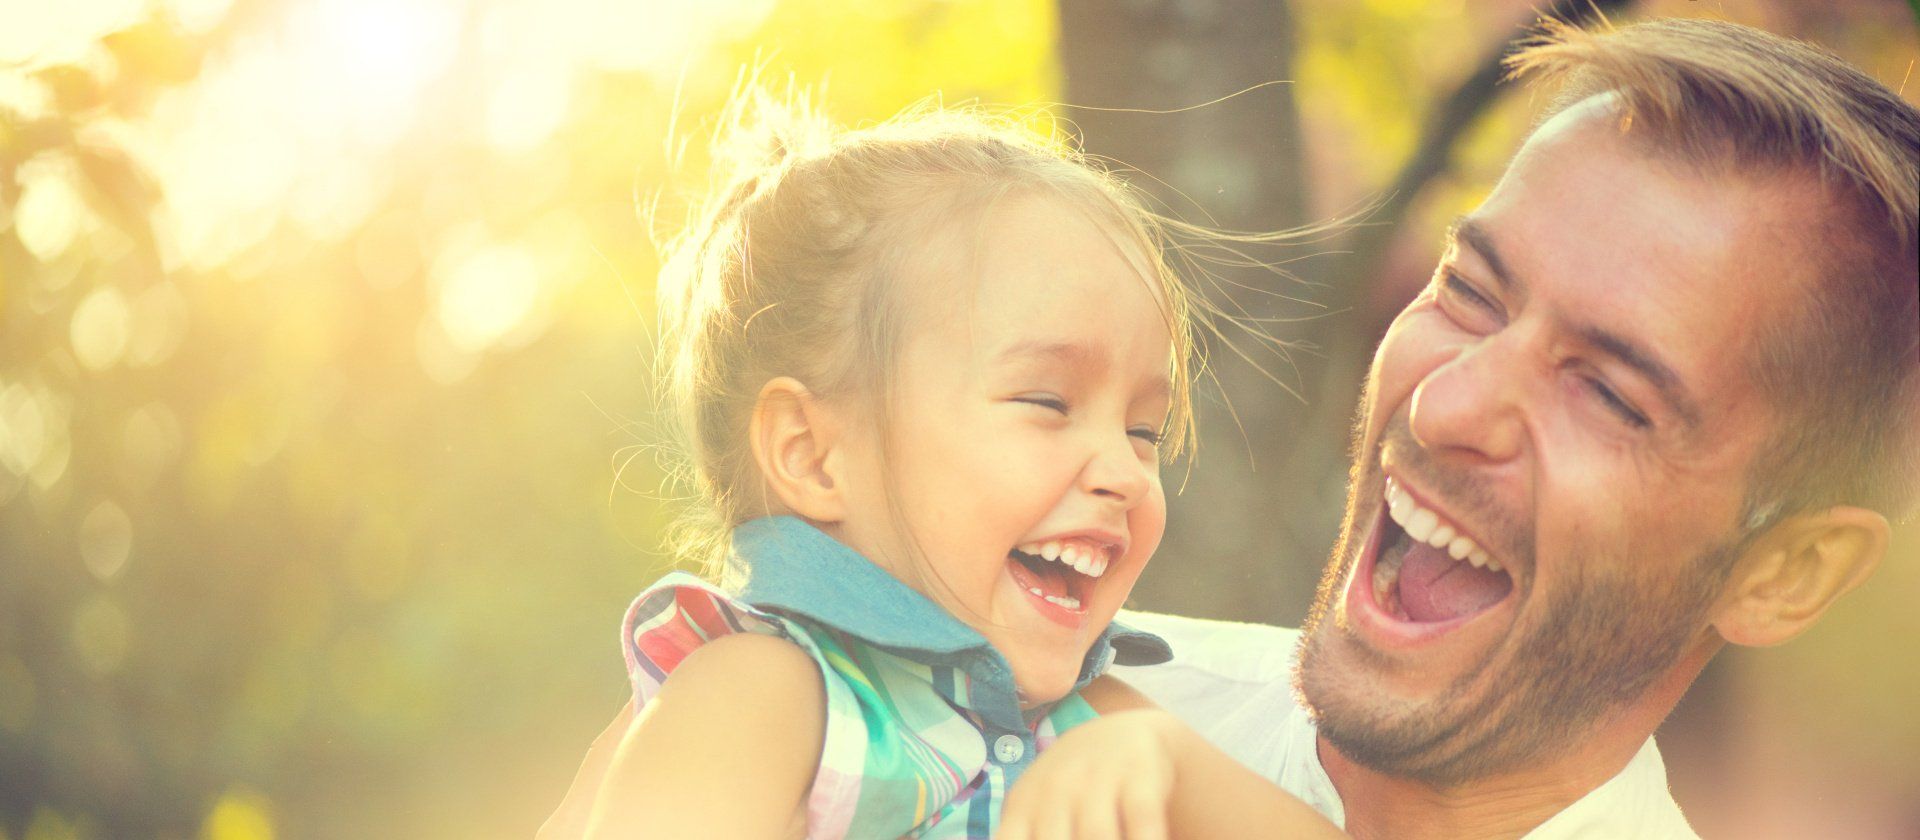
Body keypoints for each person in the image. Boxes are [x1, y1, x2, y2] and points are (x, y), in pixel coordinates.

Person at [1018, 17, 1918, 839]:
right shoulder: (1003, 719)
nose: (1441, 405)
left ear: (1784, 575)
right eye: (1470, 293)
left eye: (1608, 395)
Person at [539, 89, 1343, 839]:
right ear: (815, 456)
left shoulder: (1097, 719)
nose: (1127, 474)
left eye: (1144, 432)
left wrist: (1169, 769)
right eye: (1048, 402)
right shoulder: (768, 692)